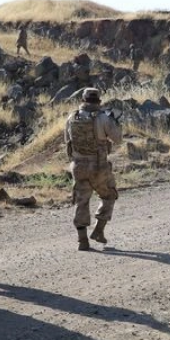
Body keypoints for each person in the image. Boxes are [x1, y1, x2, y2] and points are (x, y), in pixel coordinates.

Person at [64, 88, 122, 250]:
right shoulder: (103, 118)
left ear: (83, 99)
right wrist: (115, 122)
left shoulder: (72, 117)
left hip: (78, 166)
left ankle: (82, 241)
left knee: (81, 201)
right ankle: (98, 230)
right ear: (99, 101)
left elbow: (67, 142)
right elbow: (118, 139)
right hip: (99, 166)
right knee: (109, 195)